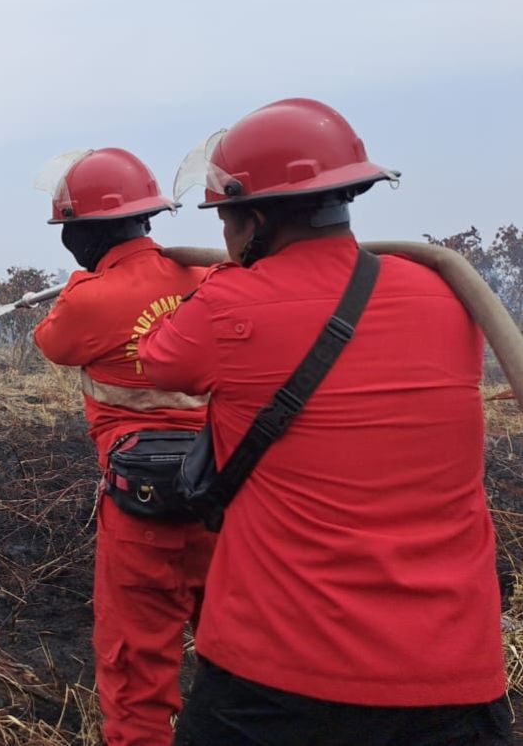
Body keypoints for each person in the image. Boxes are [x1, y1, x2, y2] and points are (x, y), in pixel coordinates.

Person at [139, 98, 510, 745]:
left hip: (275, 675)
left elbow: (157, 359)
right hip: (453, 676)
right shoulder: (448, 294)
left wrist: (232, 277)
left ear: (250, 219)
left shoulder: (228, 305)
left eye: (225, 217)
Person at [32, 148, 217, 746]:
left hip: (140, 508)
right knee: (237, 654)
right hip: (225, 496)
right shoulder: (209, 278)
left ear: (82, 232)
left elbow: (52, 344)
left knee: (136, 671)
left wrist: (83, 285)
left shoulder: (88, 297)